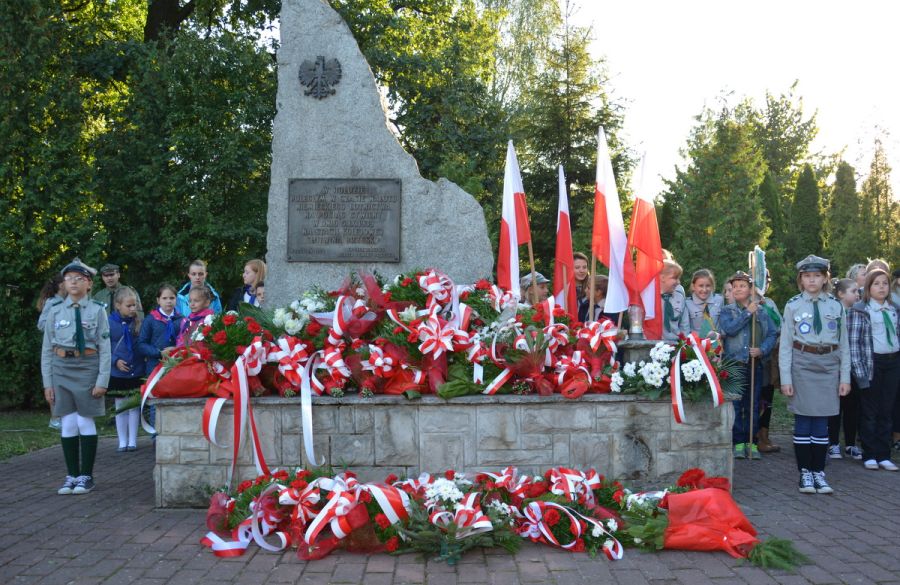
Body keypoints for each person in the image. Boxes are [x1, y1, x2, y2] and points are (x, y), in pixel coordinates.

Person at [780, 255, 850, 494]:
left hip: (829, 366)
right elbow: (786, 346)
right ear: (801, 279)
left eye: (817, 276)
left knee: (822, 422)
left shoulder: (836, 305)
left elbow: (844, 345)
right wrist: (786, 379)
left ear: (825, 278)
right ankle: (805, 473)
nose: (812, 280)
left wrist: (845, 378)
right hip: (802, 364)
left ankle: (819, 472)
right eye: (807, 276)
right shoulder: (792, 305)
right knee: (803, 419)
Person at [41, 258, 111, 495]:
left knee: (85, 420)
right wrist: (47, 383)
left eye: (78, 278)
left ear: (89, 284)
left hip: (87, 367)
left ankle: (86, 476)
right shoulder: (55, 311)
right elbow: (47, 350)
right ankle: (71, 475)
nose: (72, 282)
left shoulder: (98, 311)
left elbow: (105, 349)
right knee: (68, 422)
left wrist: (102, 381)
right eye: (68, 278)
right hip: (61, 368)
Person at [719, 271, 777, 460]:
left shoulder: (761, 311)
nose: (737, 289)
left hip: (754, 364)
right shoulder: (728, 310)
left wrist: (761, 350)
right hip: (734, 364)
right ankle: (738, 442)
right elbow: (729, 329)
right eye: (735, 286)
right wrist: (747, 313)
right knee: (735, 405)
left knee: (752, 404)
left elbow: (772, 334)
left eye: (742, 286)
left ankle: (751, 441)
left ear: (751, 289)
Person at [848, 269, 900, 471]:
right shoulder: (860, 310)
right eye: (876, 284)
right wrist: (860, 373)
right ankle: (869, 453)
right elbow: (854, 344)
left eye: (885, 283)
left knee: (887, 410)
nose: (881, 287)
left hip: (892, 361)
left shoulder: (894, 309)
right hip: (872, 363)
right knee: (870, 410)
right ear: (868, 287)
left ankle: (883, 453)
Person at [826, 279, 862, 459]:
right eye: (853, 291)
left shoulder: (859, 313)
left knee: (852, 406)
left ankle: (850, 443)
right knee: (835, 406)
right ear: (840, 294)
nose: (858, 294)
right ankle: (833, 443)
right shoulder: (832, 313)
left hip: (854, 366)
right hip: (835, 365)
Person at [108, 288, 144, 452]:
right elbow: (104, 346)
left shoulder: (139, 322)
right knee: (121, 405)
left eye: (134, 305)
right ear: (118, 305)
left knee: (134, 405)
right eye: (128, 306)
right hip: (118, 371)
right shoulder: (108, 322)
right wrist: (115, 361)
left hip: (136, 369)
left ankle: (132, 441)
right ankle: (122, 441)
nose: (132, 309)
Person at [756, 271, 783, 454]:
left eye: (766, 280)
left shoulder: (770, 302)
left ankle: (763, 435)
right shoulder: (742, 300)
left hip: (766, 357)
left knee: (766, 398)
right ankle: (749, 435)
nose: (763, 283)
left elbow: (779, 326)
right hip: (748, 356)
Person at [138, 284, 184, 375]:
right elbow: (141, 344)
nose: (168, 301)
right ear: (158, 300)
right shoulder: (150, 319)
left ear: (176, 299)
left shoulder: (182, 319)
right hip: (154, 366)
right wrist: (159, 353)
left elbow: (186, 342)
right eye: (164, 298)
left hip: (176, 365)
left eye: (172, 298)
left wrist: (176, 349)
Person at [685, 269, 723, 337]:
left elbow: (723, 324)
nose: (704, 290)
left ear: (712, 286)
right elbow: (685, 327)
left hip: (716, 344)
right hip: (696, 345)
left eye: (708, 286)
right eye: (701, 286)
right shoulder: (687, 303)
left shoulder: (719, 300)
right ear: (693, 286)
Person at [660, 259, 690, 341]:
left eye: (679, 278)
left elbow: (684, 325)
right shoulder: (650, 299)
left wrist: (684, 347)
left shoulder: (679, 297)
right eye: (675, 278)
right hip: (653, 346)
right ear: (663, 278)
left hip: (675, 345)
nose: (678, 282)